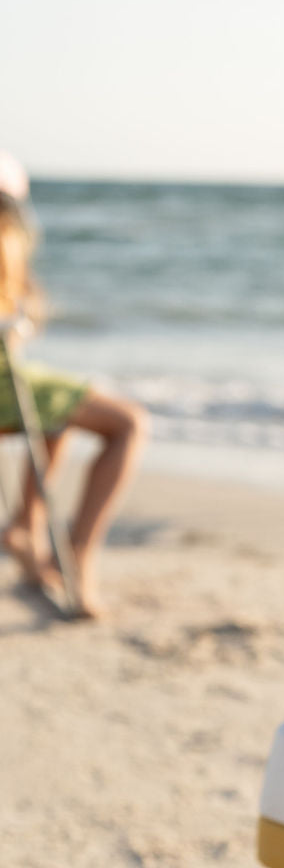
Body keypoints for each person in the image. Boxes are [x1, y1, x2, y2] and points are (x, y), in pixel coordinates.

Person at [0, 153, 148, 617]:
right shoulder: (6, 240)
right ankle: (78, 556)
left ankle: (27, 522)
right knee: (127, 423)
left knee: (60, 411)